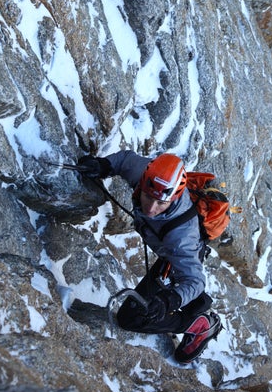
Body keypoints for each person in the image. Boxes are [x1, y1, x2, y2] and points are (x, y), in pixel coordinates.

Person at [64, 150, 222, 364]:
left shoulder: (182, 236)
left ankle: (200, 325)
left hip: (177, 256)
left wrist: (168, 300)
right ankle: (193, 305)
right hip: (169, 249)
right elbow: (126, 160)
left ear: (174, 198)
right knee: (151, 302)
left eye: (161, 204)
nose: (150, 207)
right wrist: (103, 165)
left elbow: (195, 281)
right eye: (148, 197)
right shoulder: (148, 176)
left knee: (131, 318)